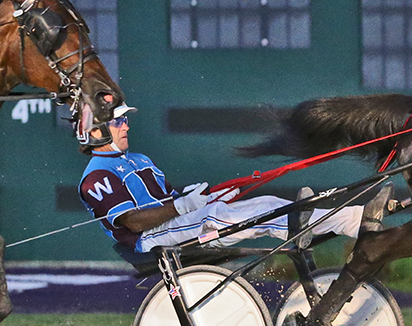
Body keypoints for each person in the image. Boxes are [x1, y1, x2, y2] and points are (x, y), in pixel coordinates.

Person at [79, 103, 391, 253]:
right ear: (95, 132)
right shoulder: (95, 178)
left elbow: (169, 198)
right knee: (228, 215)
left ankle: (355, 218)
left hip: (170, 224)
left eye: (123, 120)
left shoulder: (138, 159)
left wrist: (198, 197)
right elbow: (133, 223)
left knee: (263, 201)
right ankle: (336, 223)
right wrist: (185, 207)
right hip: (150, 239)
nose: (126, 126)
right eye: (118, 121)